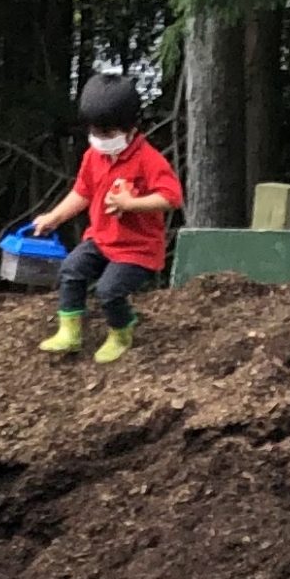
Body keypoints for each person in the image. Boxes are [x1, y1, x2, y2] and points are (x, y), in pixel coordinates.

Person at [33, 73, 184, 364]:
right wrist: (54, 217)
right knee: (71, 269)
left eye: (108, 134)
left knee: (109, 291)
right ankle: (70, 330)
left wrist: (132, 204)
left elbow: (171, 197)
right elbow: (82, 192)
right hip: (101, 239)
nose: (101, 140)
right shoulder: (93, 156)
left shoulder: (148, 159)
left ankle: (121, 332)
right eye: (95, 133)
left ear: (131, 128)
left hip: (137, 249)